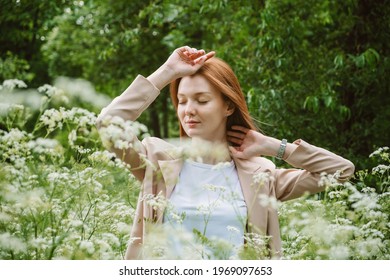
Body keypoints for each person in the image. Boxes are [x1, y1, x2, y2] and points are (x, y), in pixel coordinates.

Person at [96, 46, 355, 259]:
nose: (188, 110)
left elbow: (341, 170)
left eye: (202, 100)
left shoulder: (260, 176)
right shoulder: (156, 162)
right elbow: (108, 122)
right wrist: (168, 72)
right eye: (182, 100)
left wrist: (274, 147)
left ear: (228, 106)